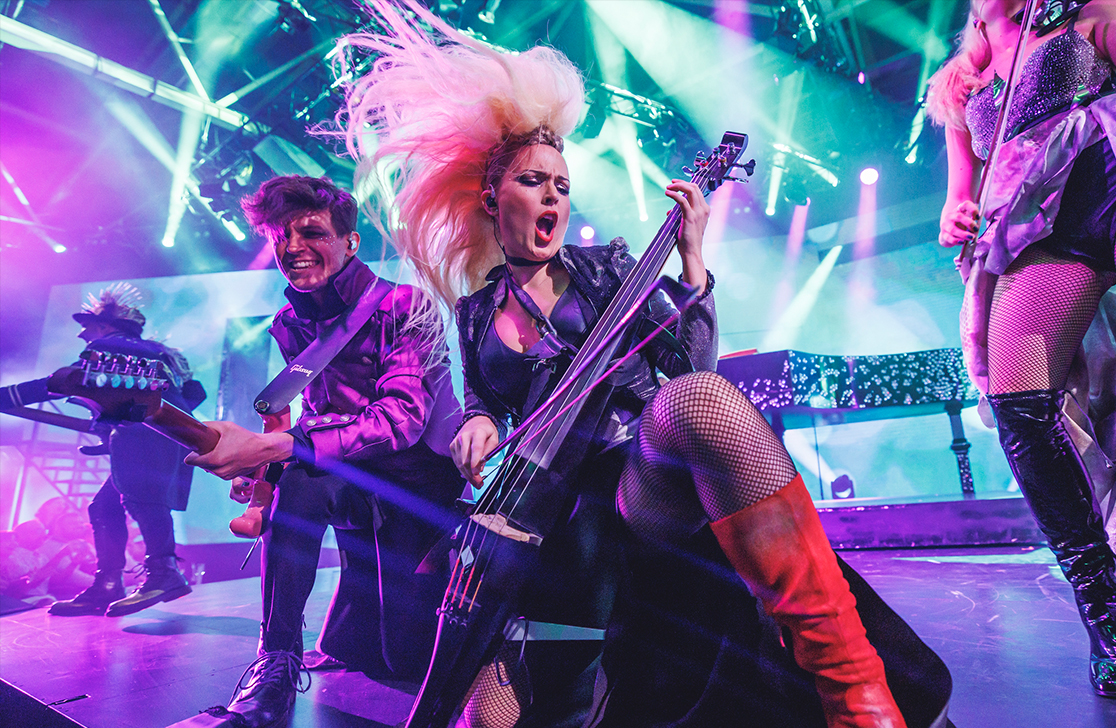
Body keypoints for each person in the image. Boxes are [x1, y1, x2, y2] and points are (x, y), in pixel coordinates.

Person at [339, 2, 950, 727]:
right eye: (534, 181)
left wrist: (692, 264)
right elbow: (484, 402)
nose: (553, 196)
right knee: (485, 716)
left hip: (631, 481)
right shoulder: (474, 313)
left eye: (562, 185)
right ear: (491, 197)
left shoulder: (608, 273)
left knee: (696, 402)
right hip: (540, 511)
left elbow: (693, 367)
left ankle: (857, 698)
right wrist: (476, 422)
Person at [181, 175, 465, 728]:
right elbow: (317, 412)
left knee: (407, 660)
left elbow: (402, 419)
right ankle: (275, 661)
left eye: (311, 232)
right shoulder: (290, 322)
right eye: (279, 236)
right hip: (351, 474)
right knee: (299, 481)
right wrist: (269, 468)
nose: (291, 247)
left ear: (350, 242)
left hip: (419, 481)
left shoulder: (404, 304)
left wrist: (285, 446)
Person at [926, 0, 1116, 697]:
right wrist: (955, 215)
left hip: (1093, 199)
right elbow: (961, 194)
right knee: (1021, 406)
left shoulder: (1090, 19)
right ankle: (1106, 608)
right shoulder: (958, 82)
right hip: (1024, 233)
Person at [0, 284, 205, 617]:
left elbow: (63, 382)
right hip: (163, 436)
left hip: (144, 438)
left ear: (107, 326)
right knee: (105, 507)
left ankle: (164, 573)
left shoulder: (110, 346)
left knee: (142, 500)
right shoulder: (164, 355)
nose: (82, 334)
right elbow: (196, 393)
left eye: (88, 326)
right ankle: (108, 584)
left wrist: (4, 396)